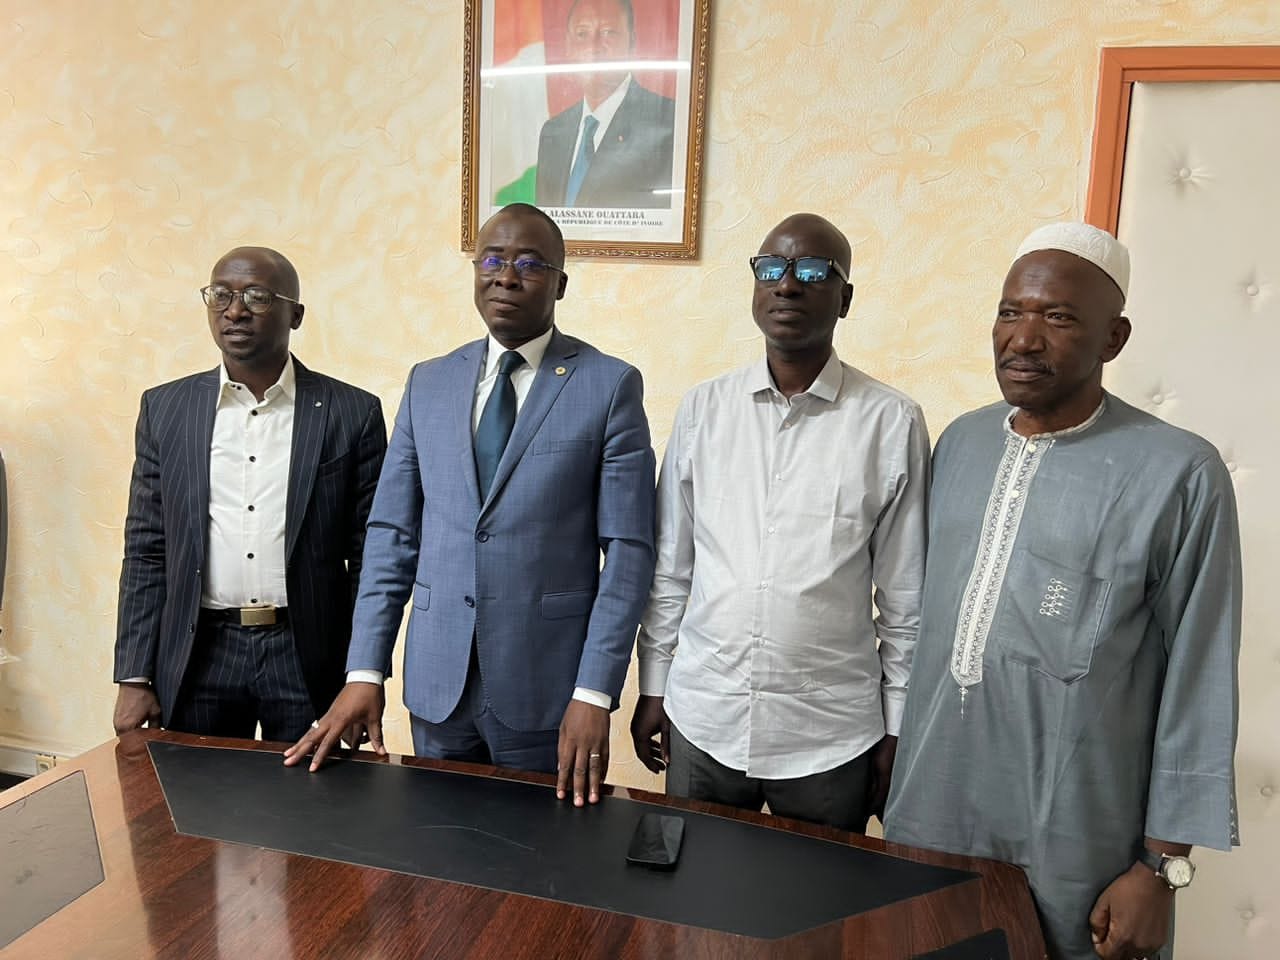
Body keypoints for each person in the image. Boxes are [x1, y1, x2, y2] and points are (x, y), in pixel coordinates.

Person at [883, 223, 1242, 960]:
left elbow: (1200, 678)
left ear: (1114, 338)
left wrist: (1161, 869)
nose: (1024, 339)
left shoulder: (1180, 472)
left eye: (1058, 317)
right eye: (1010, 312)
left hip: (1081, 846)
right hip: (930, 819)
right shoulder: (960, 443)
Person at [286, 204, 656, 808]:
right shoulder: (428, 382)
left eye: (530, 264)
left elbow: (629, 553)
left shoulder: (609, 385)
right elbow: (391, 536)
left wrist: (594, 692)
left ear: (561, 284)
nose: (506, 277)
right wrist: (365, 671)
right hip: (439, 687)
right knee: (438, 853)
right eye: (492, 260)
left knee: (543, 856)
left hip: (548, 691)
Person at [630, 213, 930, 831]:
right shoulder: (704, 410)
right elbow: (671, 568)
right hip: (704, 716)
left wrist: (897, 723)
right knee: (695, 885)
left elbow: (905, 598)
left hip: (830, 737)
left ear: (845, 298)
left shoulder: (891, 423)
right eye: (771, 269)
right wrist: (653, 682)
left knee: (823, 892)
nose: (788, 285)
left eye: (813, 271)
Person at [113, 247, 387, 743]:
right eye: (220, 295)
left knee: (316, 791)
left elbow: (370, 558)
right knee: (194, 790)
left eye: (257, 297)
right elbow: (147, 549)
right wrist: (134, 675)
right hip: (199, 652)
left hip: (307, 654)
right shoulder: (166, 409)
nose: (234, 310)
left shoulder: (351, 413)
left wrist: (360, 673)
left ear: (295, 315)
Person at [535, 0, 676, 209]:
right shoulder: (553, 132)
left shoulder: (669, 123)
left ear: (632, 43)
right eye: (582, 34)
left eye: (608, 33)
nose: (594, 47)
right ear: (568, 46)